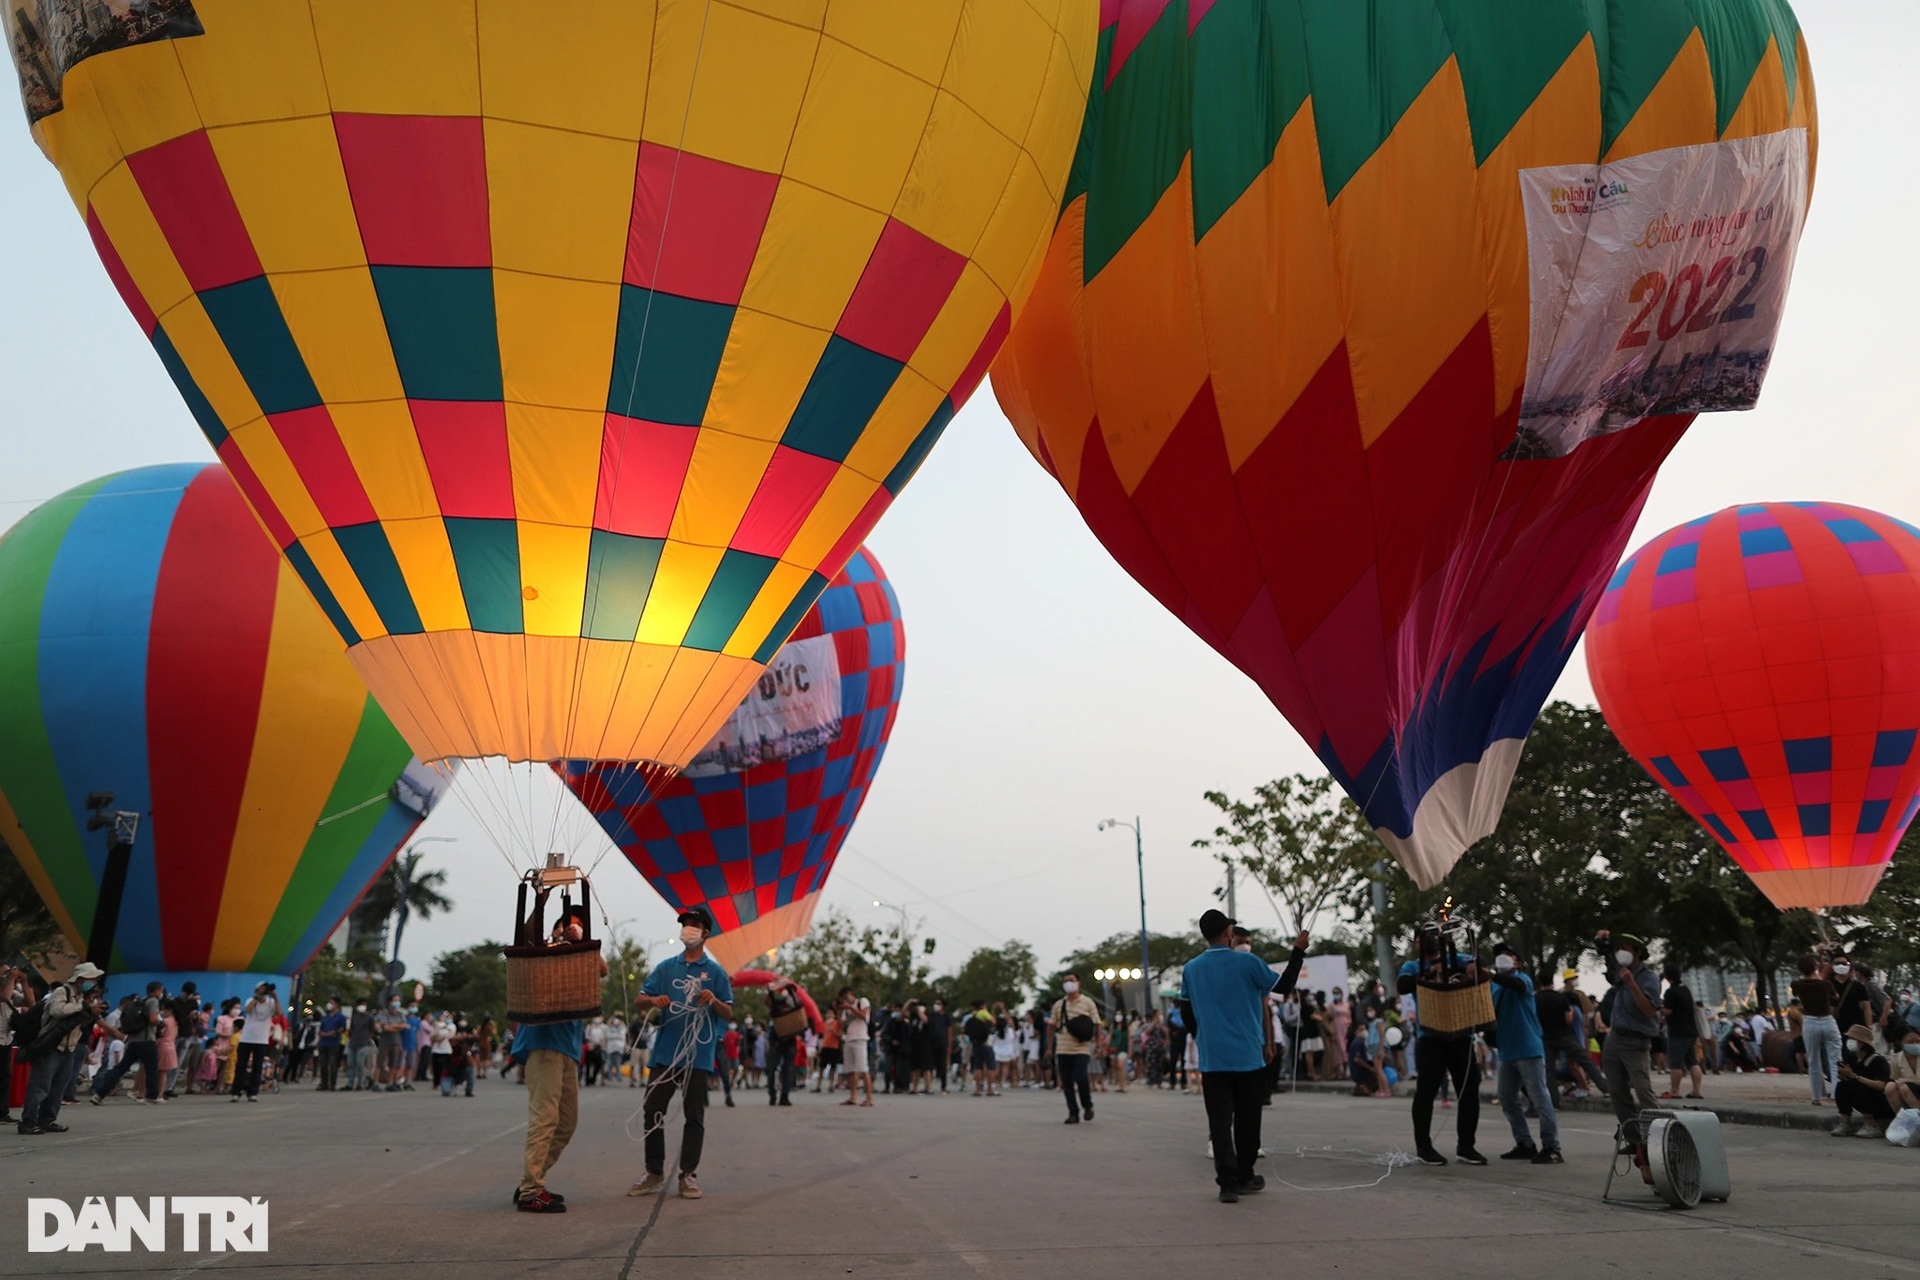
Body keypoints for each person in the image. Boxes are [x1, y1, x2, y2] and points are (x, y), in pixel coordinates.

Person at [1181, 910, 1308, 1203]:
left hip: (1213, 1057)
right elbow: (1283, 986)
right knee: (1249, 1118)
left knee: (1220, 1121)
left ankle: (1227, 1183)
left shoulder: (1191, 969)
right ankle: (1245, 1174)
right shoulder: (1247, 962)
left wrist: (1202, 1035)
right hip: (1248, 1055)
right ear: (1229, 933)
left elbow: (1186, 1009)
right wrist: (1297, 952)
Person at [627, 907, 732, 1200]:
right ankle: (654, 1171)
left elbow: (729, 1011)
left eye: (694, 925)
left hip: (698, 1055)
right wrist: (653, 1000)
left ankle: (688, 1175)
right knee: (652, 1111)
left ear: (705, 932)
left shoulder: (715, 973)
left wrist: (713, 1001)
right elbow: (639, 1001)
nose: (688, 929)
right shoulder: (665, 968)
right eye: (685, 924)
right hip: (665, 1054)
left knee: (694, 1116)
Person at [512, 909, 605, 1213]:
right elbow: (524, 939)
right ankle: (531, 1190)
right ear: (554, 930)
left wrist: (584, 942)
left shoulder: (581, 961)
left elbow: (602, 969)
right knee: (546, 1118)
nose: (573, 930)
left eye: (579, 926)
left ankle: (532, 1178)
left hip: (568, 1050)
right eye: (567, 925)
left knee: (566, 1121)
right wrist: (541, 901)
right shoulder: (543, 953)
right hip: (544, 1045)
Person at [1397, 924, 1485, 1167]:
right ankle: (1424, 1147)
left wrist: (1455, 963)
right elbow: (1403, 985)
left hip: (1461, 1034)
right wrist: (1430, 972)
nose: (1432, 942)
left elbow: (1477, 965)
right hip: (1431, 1036)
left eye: (1436, 937)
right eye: (1427, 938)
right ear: (1417, 942)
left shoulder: (1458, 958)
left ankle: (1466, 1146)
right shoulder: (1412, 966)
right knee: (1426, 1092)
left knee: (1469, 1090)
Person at [1488, 945, 1563, 1164]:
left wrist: (1491, 976)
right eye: (1499, 955)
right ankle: (1524, 1142)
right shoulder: (1494, 986)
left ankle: (1552, 1147)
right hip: (1507, 1051)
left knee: (1540, 1098)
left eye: (1508, 955)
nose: (1502, 958)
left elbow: (1516, 985)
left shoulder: (1524, 980)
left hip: (1528, 1050)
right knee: (1507, 1098)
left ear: (1518, 962)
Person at [1596, 930, 1663, 1153]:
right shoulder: (1620, 973)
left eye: (1625, 949)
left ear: (1637, 953)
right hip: (1614, 1038)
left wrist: (1631, 983)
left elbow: (1649, 1010)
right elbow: (1607, 963)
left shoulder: (1649, 978)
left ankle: (1657, 1140)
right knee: (1617, 1091)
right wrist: (1602, 943)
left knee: (1643, 1091)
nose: (1621, 953)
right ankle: (1635, 1140)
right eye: (1619, 948)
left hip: (1636, 1041)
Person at [18, 963, 104, 1134]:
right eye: (90, 978)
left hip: (68, 1048)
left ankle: (47, 1120)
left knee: (58, 1087)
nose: (93, 982)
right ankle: (28, 1122)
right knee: (40, 1085)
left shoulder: (81, 997)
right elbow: (58, 1010)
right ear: (81, 979)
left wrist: (91, 1013)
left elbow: (78, 1023)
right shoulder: (61, 992)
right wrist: (85, 1007)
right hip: (50, 1046)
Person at [91, 980, 166, 1106]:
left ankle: (99, 1094)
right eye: (161, 990)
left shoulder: (140, 1001)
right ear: (157, 990)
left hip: (133, 1041)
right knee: (151, 1068)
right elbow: (153, 1019)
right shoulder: (153, 1001)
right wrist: (160, 1023)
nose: (161, 993)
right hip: (147, 1040)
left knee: (120, 1068)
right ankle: (152, 1096)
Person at [1050, 974, 1102, 1124]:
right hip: (1062, 1047)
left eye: (1071, 981)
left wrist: (1098, 1044)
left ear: (1078, 983)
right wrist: (1049, 1048)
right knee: (1066, 1082)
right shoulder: (1059, 1005)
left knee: (1080, 1077)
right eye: (1066, 981)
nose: (1068, 984)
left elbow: (1097, 1023)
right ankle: (1073, 1112)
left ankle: (1087, 1105)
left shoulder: (1087, 1003)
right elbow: (1052, 1025)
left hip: (1081, 1048)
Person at [1791, 953, 1841, 1104]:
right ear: (1815, 968)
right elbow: (1835, 997)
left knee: (1813, 1060)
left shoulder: (1796, 985)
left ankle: (1817, 1096)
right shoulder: (1826, 985)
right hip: (1827, 1021)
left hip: (1810, 1022)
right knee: (1835, 1060)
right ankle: (1837, 1094)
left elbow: (1804, 982)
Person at [1831, 1023, 1894, 1139]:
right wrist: (1844, 1075)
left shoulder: (1878, 1061)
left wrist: (1855, 1077)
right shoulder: (1852, 1058)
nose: (1849, 1042)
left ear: (1861, 1042)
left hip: (1880, 1101)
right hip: (1860, 1097)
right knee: (1842, 1086)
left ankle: (1871, 1124)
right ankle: (1845, 1122)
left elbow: (1881, 1086)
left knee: (1858, 1084)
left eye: (1852, 1039)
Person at [229, 982, 280, 1102]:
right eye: (261, 989)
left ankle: (252, 1092)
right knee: (240, 1066)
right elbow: (248, 1010)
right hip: (246, 1038)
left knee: (257, 1067)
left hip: (261, 1040)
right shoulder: (250, 1000)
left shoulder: (271, 1003)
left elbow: (278, 1013)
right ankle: (236, 1092)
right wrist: (257, 997)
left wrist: (275, 996)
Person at [1659, 964, 1703, 1101]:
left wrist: (1658, 1007)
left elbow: (1668, 1011)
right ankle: (1696, 1090)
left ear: (1667, 976)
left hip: (1677, 1031)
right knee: (1693, 1062)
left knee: (1676, 1062)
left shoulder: (1670, 992)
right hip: (1691, 1030)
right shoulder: (1686, 989)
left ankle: (1675, 1090)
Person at [766, 980, 801, 1106]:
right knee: (775, 1069)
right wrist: (771, 990)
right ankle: (775, 1095)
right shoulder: (780, 1003)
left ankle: (782, 1095)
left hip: (787, 1040)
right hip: (778, 1041)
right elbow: (769, 1002)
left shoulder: (796, 1003)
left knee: (785, 1069)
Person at [841, 992, 874, 1106]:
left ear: (850, 994)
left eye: (846, 997)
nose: (845, 1000)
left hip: (860, 1038)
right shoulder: (845, 1011)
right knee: (851, 1070)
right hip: (849, 1039)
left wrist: (851, 1007)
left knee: (863, 1068)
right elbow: (842, 1025)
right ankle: (853, 1096)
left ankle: (869, 1098)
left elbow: (863, 1015)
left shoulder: (862, 1002)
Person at [962, 998, 993, 1096]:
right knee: (990, 1065)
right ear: (983, 1005)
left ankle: (977, 1089)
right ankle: (990, 1089)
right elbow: (993, 1021)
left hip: (975, 1042)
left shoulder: (972, 1015)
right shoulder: (983, 1013)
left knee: (978, 1066)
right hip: (985, 1042)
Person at [375, 996, 407, 1091]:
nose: (397, 1002)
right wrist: (398, 1026)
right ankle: (376, 1083)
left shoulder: (400, 1013)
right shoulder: (384, 1013)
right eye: (395, 1000)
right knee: (380, 1062)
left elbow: (404, 1025)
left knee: (393, 1063)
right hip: (385, 1041)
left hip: (396, 1041)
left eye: (398, 1000)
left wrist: (393, 1025)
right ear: (390, 1002)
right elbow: (385, 1027)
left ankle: (390, 1083)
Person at [315, 998, 346, 1090]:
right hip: (323, 1043)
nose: (329, 1005)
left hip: (334, 1043)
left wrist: (334, 1032)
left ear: (337, 1005)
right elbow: (321, 1028)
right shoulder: (325, 1017)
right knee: (323, 1065)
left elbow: (343, 1028)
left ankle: (332, 1084)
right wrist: (320, 1034)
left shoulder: (341, 1017)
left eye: (331, 1003)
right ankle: (324, 1083)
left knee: (332, 1064)